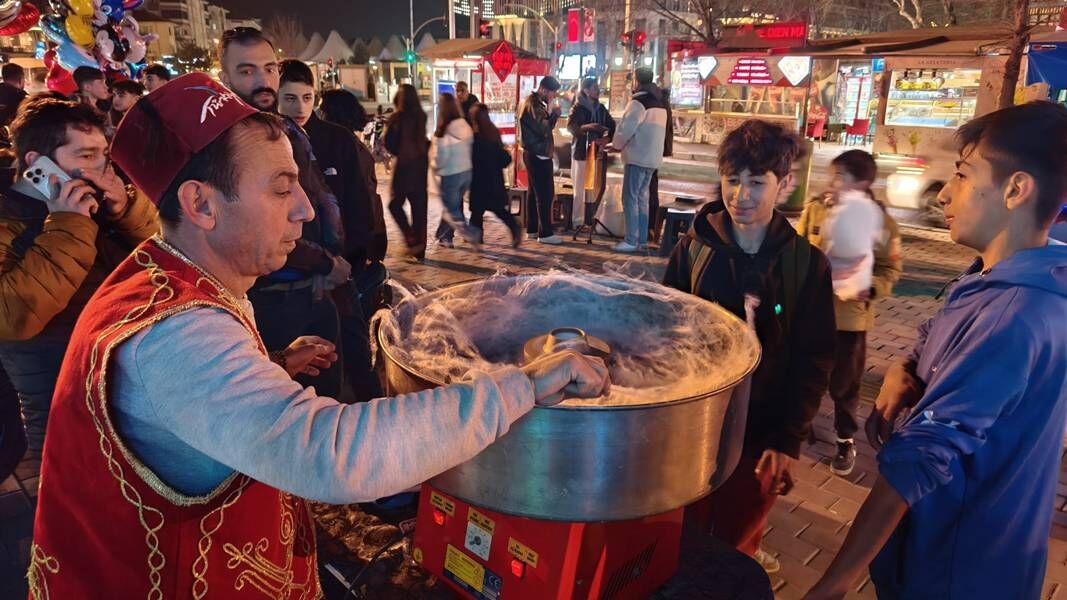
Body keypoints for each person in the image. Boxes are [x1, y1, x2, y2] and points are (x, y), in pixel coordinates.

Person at [28, 73, 610, 597]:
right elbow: (326, 453)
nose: (305, 208)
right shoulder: (175, 333)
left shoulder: (171, 276)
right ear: (200, 203)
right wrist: (522, 387)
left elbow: (192, 410)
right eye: (281, 189)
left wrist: (273, 365)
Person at [805, 102, 1067, 600]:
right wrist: (904, 368)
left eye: (965, 176)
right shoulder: (1000, 274)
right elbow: (938, 333)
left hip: (963, 565)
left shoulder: (1016, 315)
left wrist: (833, 583)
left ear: (1016, 189)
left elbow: (922, 456)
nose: (945, 192)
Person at [663, 119, 836, 575]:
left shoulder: (805, 264)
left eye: (757, 183)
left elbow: (814, 359)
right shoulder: (693, 249)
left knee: (738, 541)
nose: (742, 195)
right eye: (733, 181)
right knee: (681, 533)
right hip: (693, 424)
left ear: (785, 185)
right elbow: (665, 331)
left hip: (762, 432)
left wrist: (788, 441)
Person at [0, 96, 157, 458]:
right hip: (62, 407)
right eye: (86, 156)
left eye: (104, 155)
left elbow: (166, 257)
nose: (101, 168)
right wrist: (70, 223)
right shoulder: (11, 222)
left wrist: (129, 213)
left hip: (129, 392)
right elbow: (14, 316)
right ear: (35, 163)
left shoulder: (98, 207)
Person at [218, 26, 349, 399]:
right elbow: (257, 223)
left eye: (269, 68)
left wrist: (332, 259)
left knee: (328, 396)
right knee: (288, 406)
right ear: (225, 77)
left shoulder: (282, 128)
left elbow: (315, 201)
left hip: (312, 286)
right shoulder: (228, 141)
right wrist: (323, 262)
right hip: (272, 293)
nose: (263, 80)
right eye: (247, 70)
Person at [278, 59, 381, 403]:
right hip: (289, 274)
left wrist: (359, 256)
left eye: (306, 97)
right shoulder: (265, 142)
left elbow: (361, 201)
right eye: (290, 98)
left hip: (341, 267)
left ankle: (367, 411)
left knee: (354, 350)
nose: (299, 107)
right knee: (312, 364)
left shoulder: (337, 140)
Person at [797, 150, 902, 476]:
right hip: (811, 313)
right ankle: (800, 426)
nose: (834, 183)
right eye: (833, 176)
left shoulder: (880, 221)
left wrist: (870, 289)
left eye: (842, 177)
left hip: (850, 320)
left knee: (845, 385)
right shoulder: (816, 210)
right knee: (802, 374)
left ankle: (845, 440)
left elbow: (891, 267)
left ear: (864, 182)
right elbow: (797, 250)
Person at [319, 89, 388, 264]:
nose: (318, 113)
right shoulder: (349, 144)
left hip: (353, 238)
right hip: (363, 233)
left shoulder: (344, 147)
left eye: (321, 109)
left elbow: (364, 197)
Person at [612, 67, 668, 253]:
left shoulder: (638, 103)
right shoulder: (660, 103)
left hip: (637, 156)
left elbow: (626, 129)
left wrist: (616, 144)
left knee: (630, 198)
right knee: (643, 198)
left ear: (636, 81)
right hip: (652, 158)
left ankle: (631, 239)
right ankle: (642, 238)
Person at [384, 83, 430, 260]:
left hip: (404, 167)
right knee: (419, 210)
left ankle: (411, 238)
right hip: (420, 167)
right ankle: (420, 250)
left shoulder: (397, 118)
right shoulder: (422, 116)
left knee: (395, 205)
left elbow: (390, 144)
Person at [469, 103, 522, 246]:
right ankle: (513, 227)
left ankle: (477, 238)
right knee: (494, 209)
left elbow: (475, 157)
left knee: (478, 210)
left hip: (480, 179)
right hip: (493, 179)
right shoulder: (492, 131)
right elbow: (502, 156)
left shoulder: (476, 136)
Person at [567, 77, 615, 230]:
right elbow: (571, 128)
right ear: (586, 91)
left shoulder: (601, 109)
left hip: (597, 153)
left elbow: (612, 125)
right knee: (580, 189)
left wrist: (607, 138)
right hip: (581, 152)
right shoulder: (577, 107)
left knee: (594, 188)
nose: (598, 90)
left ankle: (591, 220)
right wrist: (588, 127)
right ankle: (577, 221)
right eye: (595, 88)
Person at [518, 75, 562, 244]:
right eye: (552, 93)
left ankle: (532, 229)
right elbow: (543, 128)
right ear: (543, 89)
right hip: (537, 154)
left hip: (534, 152)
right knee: (544, 193)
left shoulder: (533, 103)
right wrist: (554, 115)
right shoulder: (533, 104)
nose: (554, 96)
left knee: (534, 193)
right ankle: (545, 233)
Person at [432, 91, 478, 248]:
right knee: (452, 205)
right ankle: (444, 235)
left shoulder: (445, 128)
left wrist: (436, 166)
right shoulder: (464, 124)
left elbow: (442, 155)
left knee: (451, 208)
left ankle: (470, 232)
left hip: (451, 173)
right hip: (466, 172)